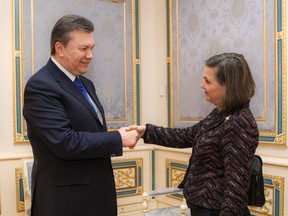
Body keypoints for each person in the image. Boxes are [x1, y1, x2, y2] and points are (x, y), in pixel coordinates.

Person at [23, 14, 140, 216]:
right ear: (59, 48)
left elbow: (89, 131)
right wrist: (117, 138)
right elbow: (65, 142)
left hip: (95, 197)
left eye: (92, 48)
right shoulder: (41, 85)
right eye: (83, 48)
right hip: (65, 203)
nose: (90, 55)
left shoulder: (86, 84)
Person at [129, 53, 259, 216]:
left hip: (215, 211)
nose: (201, 85)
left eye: (207, 81)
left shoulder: (239, 122)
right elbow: (186, 135)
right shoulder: (220, 114)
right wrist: (146, 131)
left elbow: (236, 187)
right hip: (202, 207)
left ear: (228, 86)